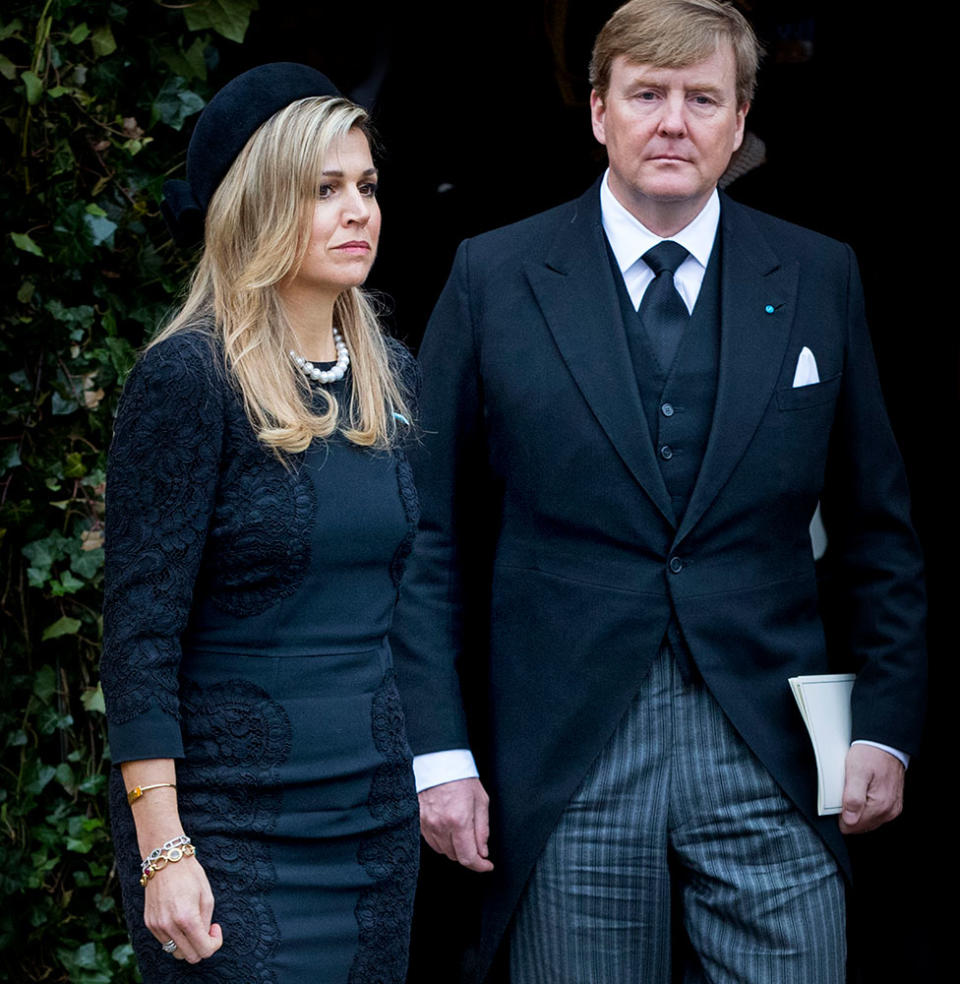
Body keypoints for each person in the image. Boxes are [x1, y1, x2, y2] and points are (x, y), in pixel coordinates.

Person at [391, 2, 926, 981]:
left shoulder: (819, 275)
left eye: (701, 98)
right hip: (567, 758)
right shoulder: (494, 275)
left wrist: (887, 723)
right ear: (599, 111)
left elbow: (877, 531)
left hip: (770, 747)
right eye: (647, 94)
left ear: (740, 117)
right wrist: (442, 756)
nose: (673, 121)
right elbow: (429, 535)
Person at [100, 63, 420, 983]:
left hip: (371, 825)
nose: (358, 209)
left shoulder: (390, 374)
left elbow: (409, 600)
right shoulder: (187, 379)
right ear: (258, 206)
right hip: (227, 834)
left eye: (364, 186)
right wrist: (163, 851)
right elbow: (139, 636)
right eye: (324, 191)